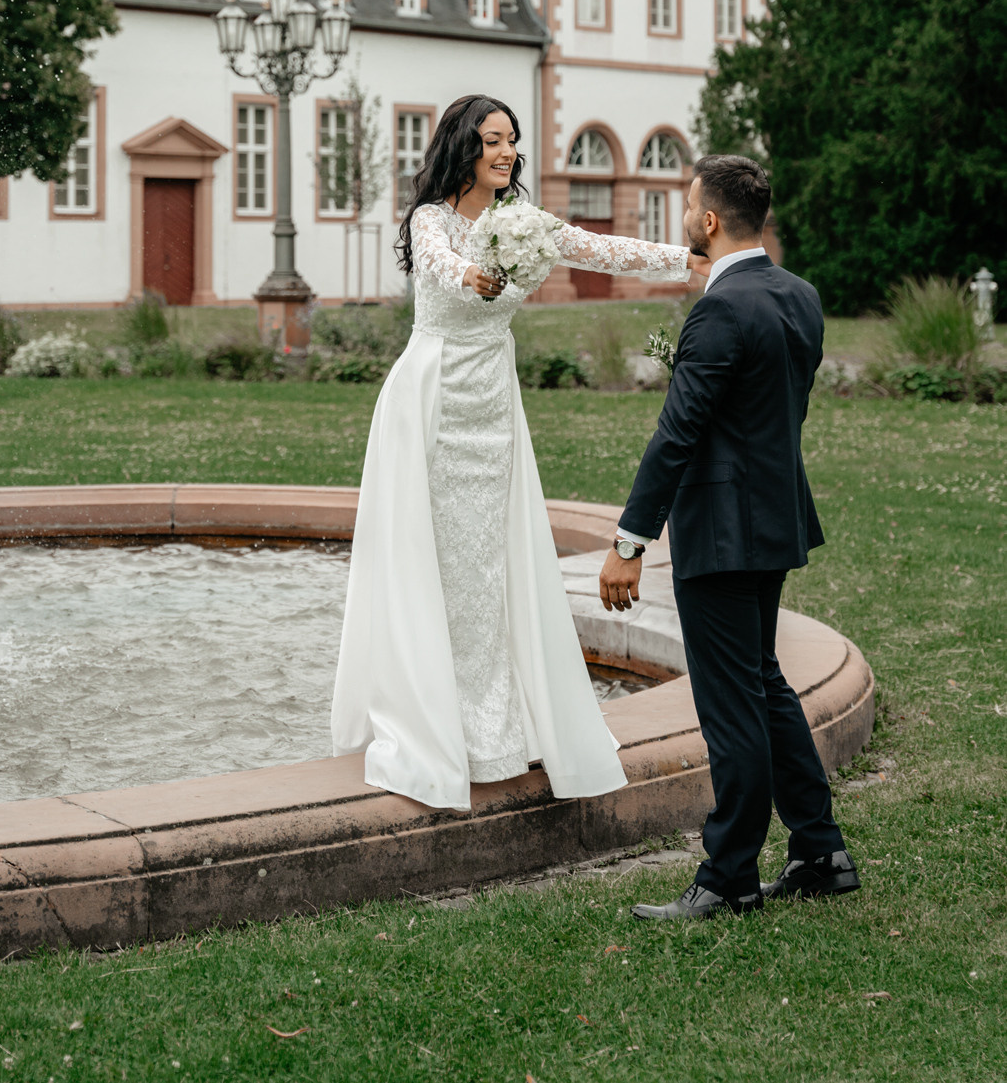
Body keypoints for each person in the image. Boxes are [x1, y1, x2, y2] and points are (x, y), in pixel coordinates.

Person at [331, 94, 695, 810]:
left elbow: (604, 247)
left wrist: (692, 260)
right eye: (491, 140)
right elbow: (435, 260)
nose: (505, 152)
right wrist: (469, 274)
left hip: (493, 405)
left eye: (511, 141)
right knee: (432, 559)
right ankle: (432, 717)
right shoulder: (430, 218)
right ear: (461, 146)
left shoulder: (522, 222)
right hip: (430, 401)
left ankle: (497, 721)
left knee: (488, 564)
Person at [599, 153, 860, 919]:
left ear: (708, 220)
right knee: (763, 683)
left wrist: (628, 542)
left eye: (687, 206)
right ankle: (820, 851)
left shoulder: (717, 309)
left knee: (730, 702)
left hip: (720, 529)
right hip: (774, 516)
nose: (684, 217)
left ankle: (728, 876)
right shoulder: (799, 295)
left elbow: (678, 431)